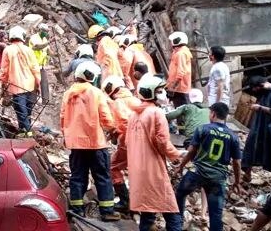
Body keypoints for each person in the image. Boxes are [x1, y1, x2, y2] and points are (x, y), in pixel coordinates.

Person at [61, 62, 121, 222]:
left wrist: (67, 136)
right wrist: (113, 129)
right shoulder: (96, 93)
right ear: (92, 76)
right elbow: (106, 118)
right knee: (102, 177)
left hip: (76, 145)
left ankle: (77, 210)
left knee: (77, 177)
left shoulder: (68, 94)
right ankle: (107, 211)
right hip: (96, 143)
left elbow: (62, 118)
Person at [123, 76, 182, 231]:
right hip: (153, 170)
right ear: (151, 94)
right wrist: (175, 155)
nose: (164, 95)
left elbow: (127, 142)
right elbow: (162, 141)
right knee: (171, 211)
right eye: (160, 91)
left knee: (148, 211)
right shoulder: (156, 112)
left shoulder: (134, 115)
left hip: (138, 170)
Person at [174, 102, 242, 231]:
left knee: (180, 193)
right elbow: (237, 162)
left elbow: (191, 151)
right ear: (226, 117)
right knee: (215, 214)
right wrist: (237, 182)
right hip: (217, 179)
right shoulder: (233, 137)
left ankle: (177, 224)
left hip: (197, 173)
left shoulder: (202, 129)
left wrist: (181, 166)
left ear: (213, 114)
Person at [102, 75, 141, 212]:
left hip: (128, 141)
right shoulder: (136, 100)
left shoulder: (119, 102)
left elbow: (123, 122)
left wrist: (114, 133)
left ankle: (125, 201)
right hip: (143, 142)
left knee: (113, 167)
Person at [1, 26, 41, 136]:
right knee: (27, 112)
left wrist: (3, 84)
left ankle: (27, 135)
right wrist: (38, 84)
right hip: (30, 85)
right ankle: (24, 132)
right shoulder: (28, 50)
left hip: (17, 86)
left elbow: (4, 70)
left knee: (21, 112)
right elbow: (35, 68)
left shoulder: (7, 50)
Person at [167, 31, 193, 109]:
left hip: (180, 89)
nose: (171, 43)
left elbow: (180, 73)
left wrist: (173, 87)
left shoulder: (181, 54)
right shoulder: (180, 52)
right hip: (180, 88)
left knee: (181, 111)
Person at [29, 23, 50, 104]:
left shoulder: (44, 39)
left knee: (44, 82)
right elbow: (37, 47)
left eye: (47, 31)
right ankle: (32, 101)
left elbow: (48, 51)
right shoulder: (34, 38)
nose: (46, 33)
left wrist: (54, 54)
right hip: (34, 65)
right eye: (44, 31)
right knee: (34, 83)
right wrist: (48, 43)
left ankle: (46, 100)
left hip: (41, 66)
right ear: (40, 30)